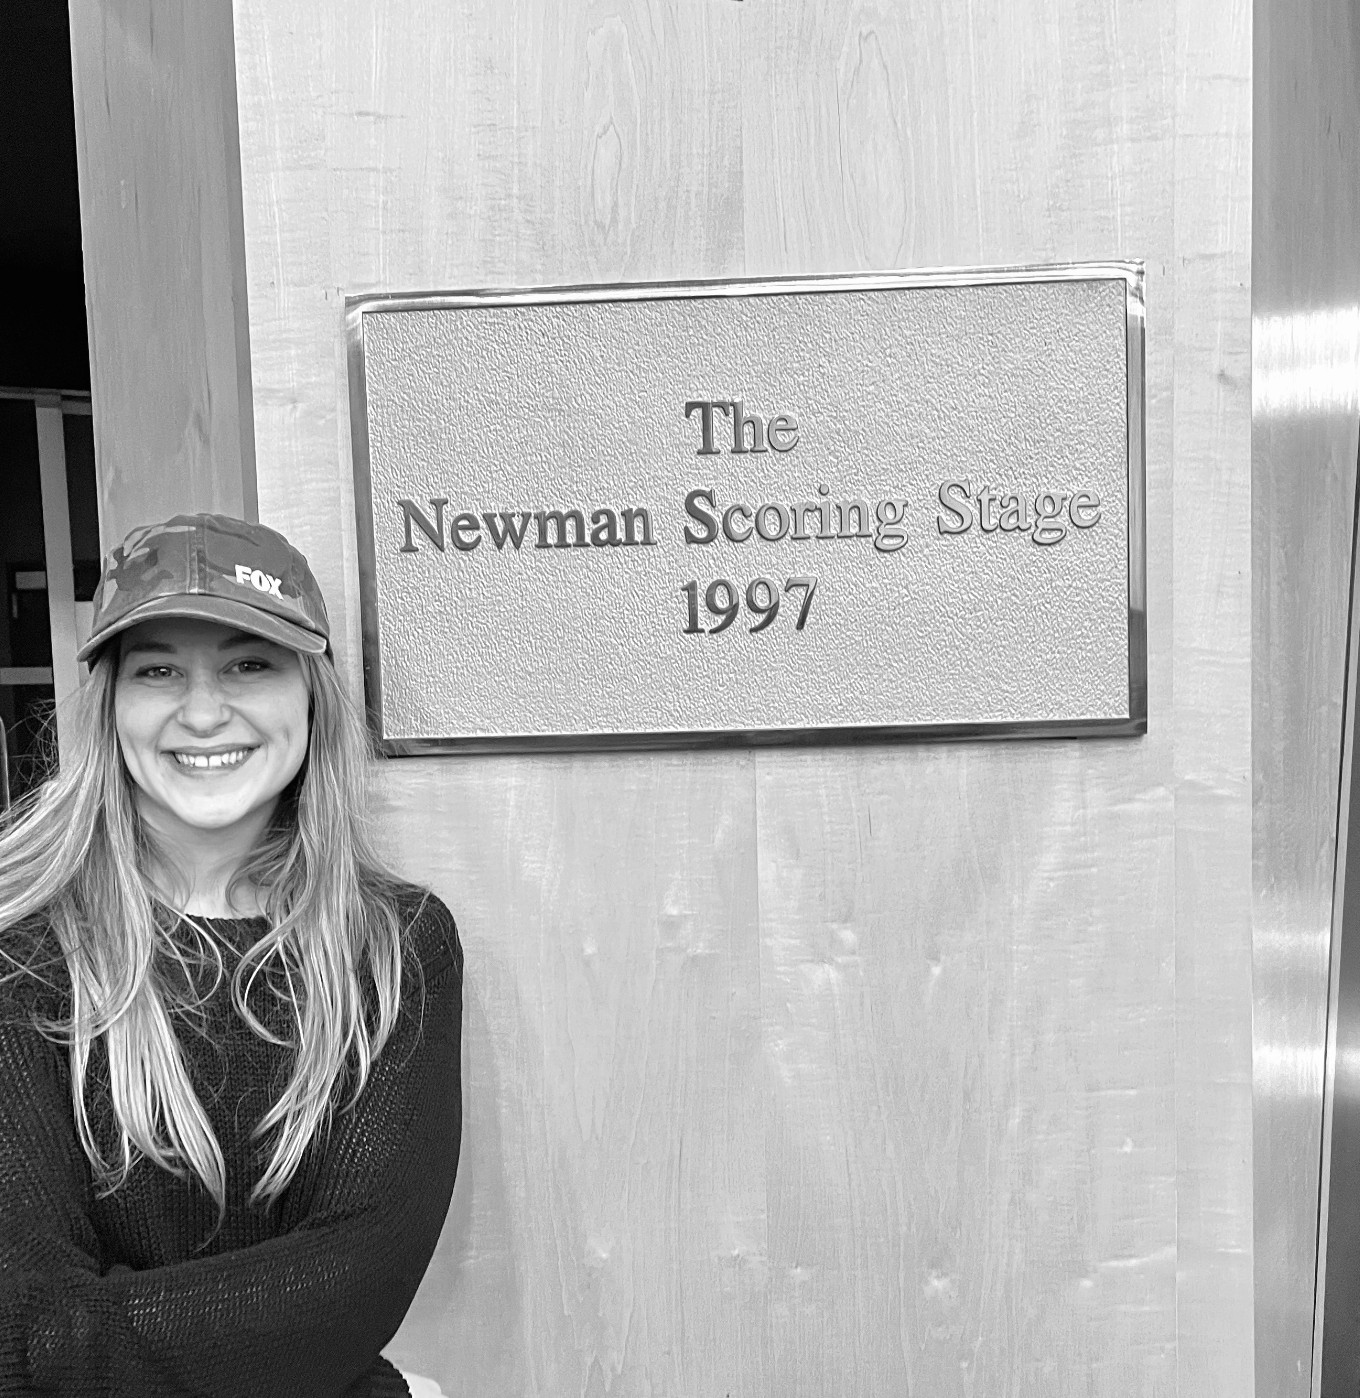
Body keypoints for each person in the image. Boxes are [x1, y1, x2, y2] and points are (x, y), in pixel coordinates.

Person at [0, 514, 462, 1397]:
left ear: (311, 695)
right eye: (158, 670)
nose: (204, 711)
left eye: (250, 663)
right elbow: (25, 1329)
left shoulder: (397, 946)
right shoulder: (21, 948)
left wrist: (88, 1333)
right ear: (110, 704)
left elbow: (357, 1285)